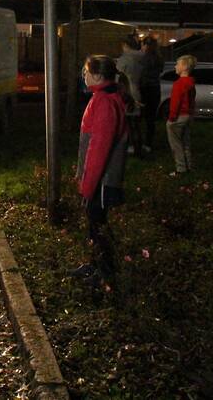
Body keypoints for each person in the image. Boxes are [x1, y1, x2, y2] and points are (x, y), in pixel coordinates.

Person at [72, 55, 128, 287]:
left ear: (96, 75)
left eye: (86, 72)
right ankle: (95, 265)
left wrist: (87, 185)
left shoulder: (104, 102)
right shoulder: (102, 97)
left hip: (102, 181)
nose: (83, 76)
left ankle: (105, 274)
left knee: (98, 225)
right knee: (94, 224)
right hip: (99, 179)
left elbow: (99, 149)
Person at [166, 55, 197, 175]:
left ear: (184, 67)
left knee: (176, 144)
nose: (175, 66)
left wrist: (171, 118)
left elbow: (175, 102)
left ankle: (181, 169)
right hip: (188, 116)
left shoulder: (179, 84)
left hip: (178, 116)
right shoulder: (191, 83)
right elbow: (192, 100)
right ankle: (189, 167)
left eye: (177, 64)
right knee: (186, 142)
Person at [115, 34, 145, 156]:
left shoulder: (124, 60)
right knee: (136, 122)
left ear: (125, 45)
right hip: (138, 90)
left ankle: (130, 145)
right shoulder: (142, 58)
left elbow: (117, 77)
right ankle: (139, 145)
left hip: (127, 92)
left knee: (127, 121)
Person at [139, 36, 163, 153]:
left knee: (139, 116)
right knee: (151, 118)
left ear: (145, 45)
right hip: (155, 89)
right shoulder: (158, 58)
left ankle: (139, 143)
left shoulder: (143, 58)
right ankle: (148, 143)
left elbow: (141, 73)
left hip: (145, 89)